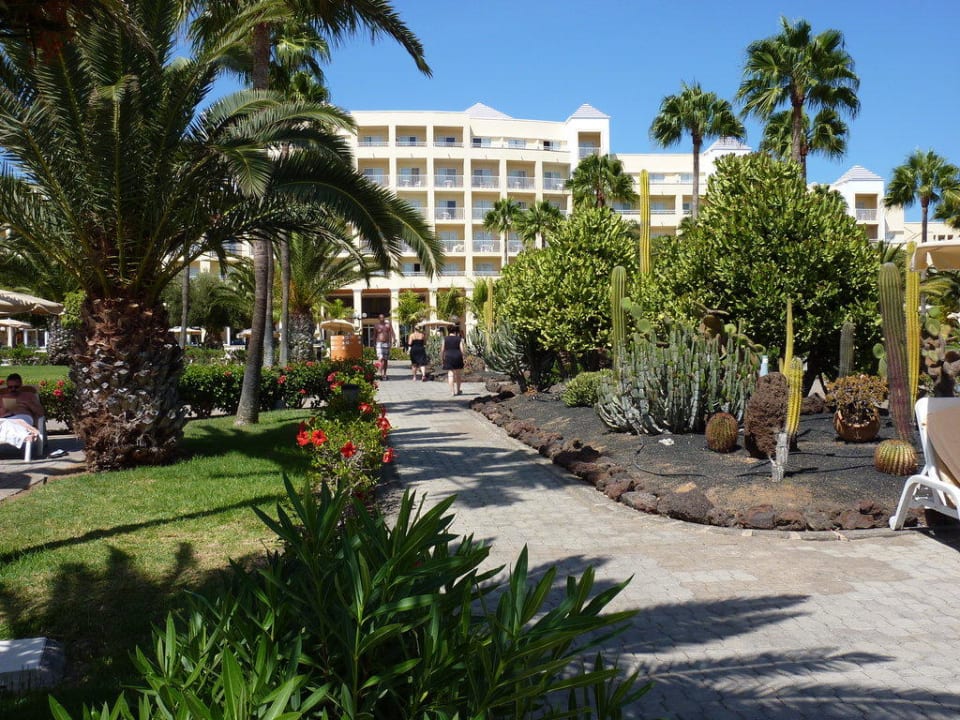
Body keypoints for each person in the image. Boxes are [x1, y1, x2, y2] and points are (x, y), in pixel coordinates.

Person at [441, 321, 466, 396]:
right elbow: (462, 350)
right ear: (455, 331)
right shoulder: (459, 339)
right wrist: (463, 357)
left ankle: (452, 392)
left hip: (448, 356)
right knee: (458, 374)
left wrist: (442, 358)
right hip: (457, 356)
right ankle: (458, 391)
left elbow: (442, 350)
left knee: (450, 374)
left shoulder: (445, 339)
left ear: (448, 331)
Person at [373, 314, 395, 380]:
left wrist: (393, 340)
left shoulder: (388, 325)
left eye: (383, 317)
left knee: (385, 360)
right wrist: (374, 344)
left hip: (386, 343)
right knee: (380, 358)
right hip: (379, 343)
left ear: (384, 318)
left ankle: (384, 373)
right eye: (380, 318)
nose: (382, 319)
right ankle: (381, 373)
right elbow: (374, 335)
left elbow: (392, 333)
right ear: (378, 319)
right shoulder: (376, 326)